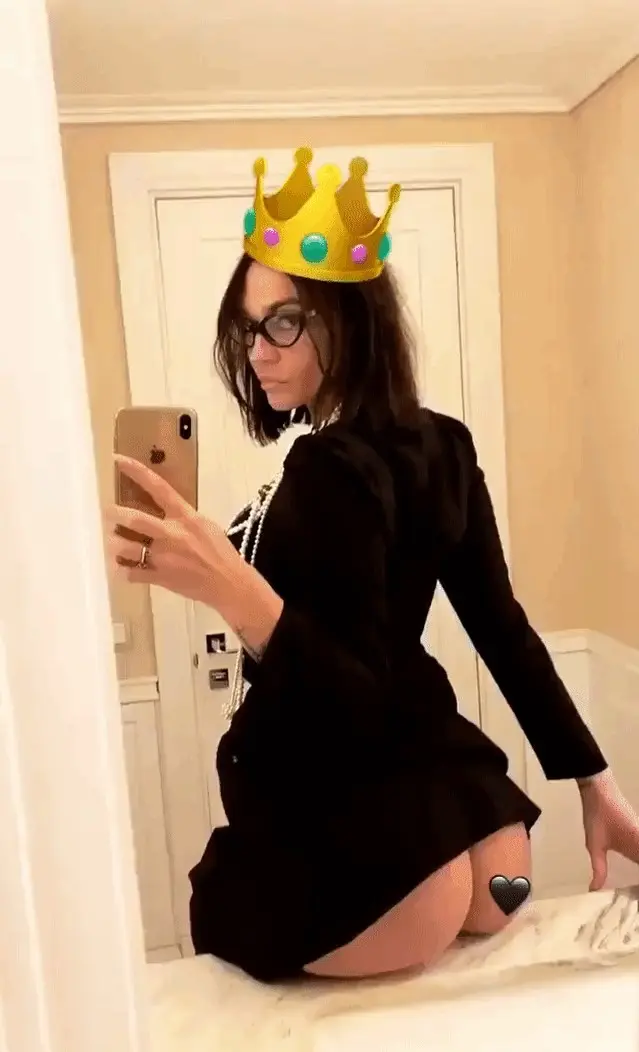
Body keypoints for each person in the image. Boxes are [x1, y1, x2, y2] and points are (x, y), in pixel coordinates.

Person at [106, 147, 639, 984]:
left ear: (349, 320)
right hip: (490, 850)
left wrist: (232, 591)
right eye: (248, 327)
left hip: (384, 865)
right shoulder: (442, 443)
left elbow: (352, 686)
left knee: (216, 904)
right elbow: (501, 628)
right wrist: (591, 779)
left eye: (283, 322)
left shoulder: (325, 465)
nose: (258, 351)